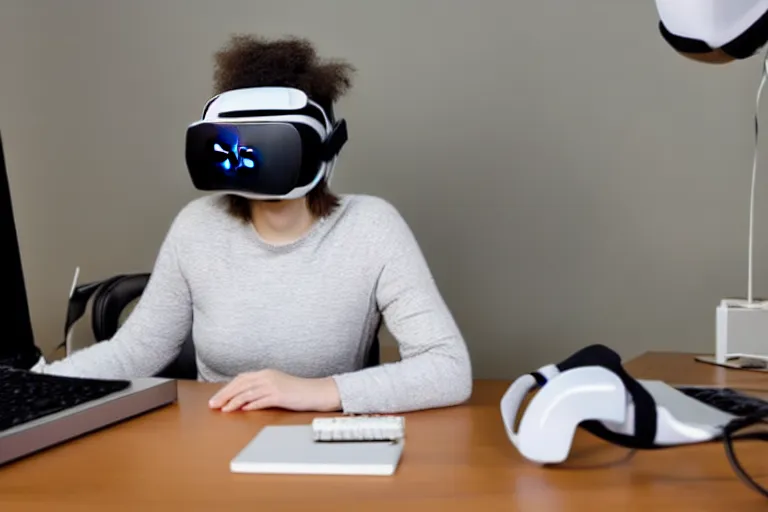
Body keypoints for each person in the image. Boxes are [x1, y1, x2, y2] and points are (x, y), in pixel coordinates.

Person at [33, 34, 473, 415]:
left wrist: (320, 392)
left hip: (322, 440)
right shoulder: (196, 228)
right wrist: (38, 381)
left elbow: (448, 368)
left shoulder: (371, 228)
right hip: (213, 439)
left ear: (322, 145)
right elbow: (137, 351)